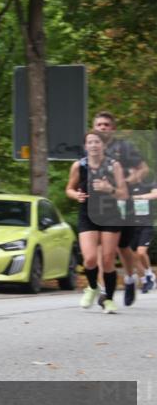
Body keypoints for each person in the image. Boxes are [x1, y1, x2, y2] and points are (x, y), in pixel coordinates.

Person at [65, 130, 128, 313]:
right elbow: (69, 189)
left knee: (108, 261)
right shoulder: (79, 166)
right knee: (90, 259)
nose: (93, 145)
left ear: (104, 145)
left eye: (97, 142)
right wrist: (76, 195)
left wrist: (109, 189)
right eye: (90, 142)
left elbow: (124, 194)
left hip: (110, 215)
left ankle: (108, 300)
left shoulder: (114, 166)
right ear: (85, 146)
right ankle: (92, 287)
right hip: (88, 215)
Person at [92, 111, 149, 306]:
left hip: (123, 201)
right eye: (99, 124)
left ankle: (130, 278)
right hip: (99, 204)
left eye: (106, 124)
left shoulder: (124, 148)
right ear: (94, 128)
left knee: (122, 246)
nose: (103, 127)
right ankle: (104, 290)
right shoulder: (91, 146)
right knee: (101, 246)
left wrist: (126, 182)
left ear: (113, 128)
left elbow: (143, 169)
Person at [129, 177, 157, 293]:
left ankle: (150, 274)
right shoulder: (126, 186)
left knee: (141, 252)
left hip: (146, 225)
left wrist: (138, 197)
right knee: (133, 256)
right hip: (131, 226)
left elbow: (155, 194)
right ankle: (145, 280)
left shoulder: (148, 183)